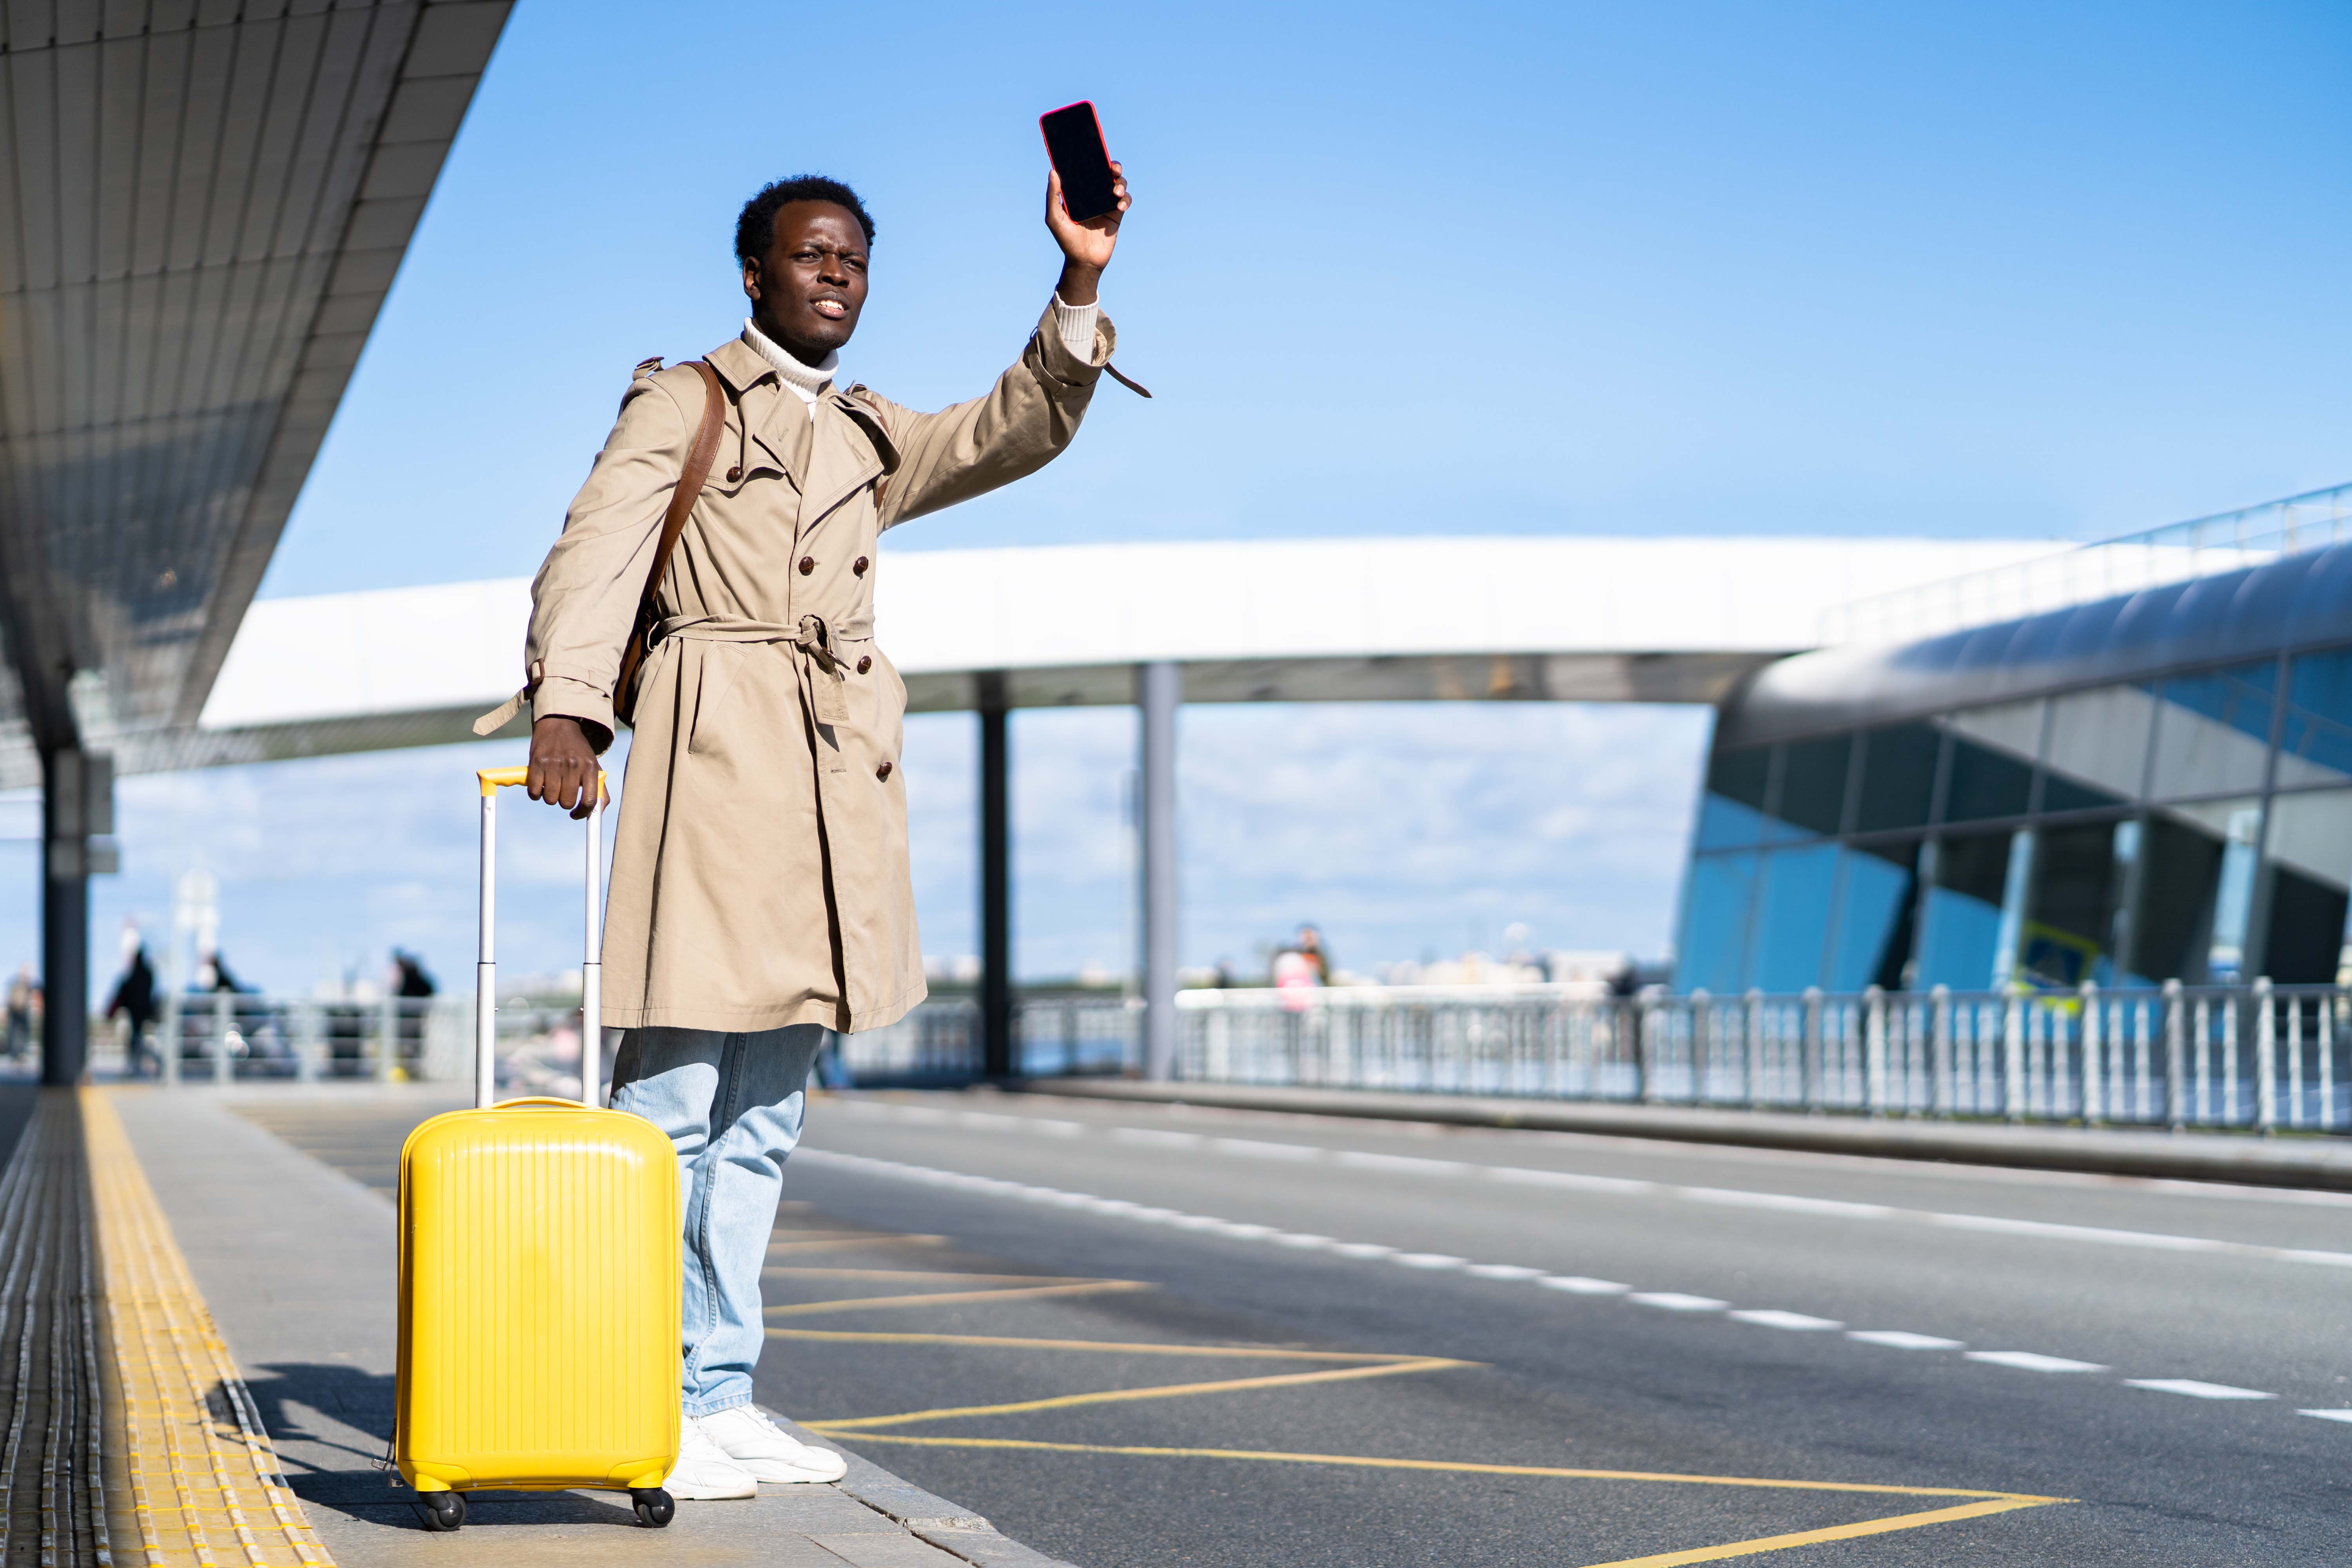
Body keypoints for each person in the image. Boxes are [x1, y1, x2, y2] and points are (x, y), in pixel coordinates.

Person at [493, 156, 1132, 1501]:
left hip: (828, 790)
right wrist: (567, 713)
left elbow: (1008, 428)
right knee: (669, 1106)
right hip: (710, 759)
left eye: (853, 259)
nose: (835, 275)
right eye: (811, 255)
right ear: (755, 273)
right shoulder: (689, 399)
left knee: (769, 1117)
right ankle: (639, 1394)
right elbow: (595, 552)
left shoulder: (863, 431)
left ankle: (717, 1390)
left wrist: (1078, 274)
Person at [105, 944, 160, 1079]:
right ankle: (142, 1064)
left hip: (136, 1013)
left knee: (137, 1040)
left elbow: (124, 991)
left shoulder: (134, 975)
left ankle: (137, 1066)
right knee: (139, 1039)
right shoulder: (147, 974)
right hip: (144, 1012)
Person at [4, 966, 31, 1062]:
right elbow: (11, 997)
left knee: (25, 1033)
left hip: (24, 1011)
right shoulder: (15, 983)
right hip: (15, 1010)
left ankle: (22, 1053)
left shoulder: (28, 984)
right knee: (13, 1032)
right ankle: (13, 1054)